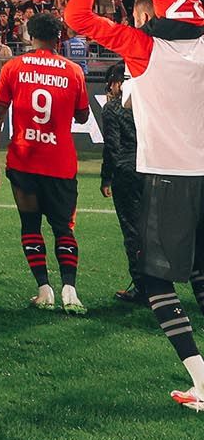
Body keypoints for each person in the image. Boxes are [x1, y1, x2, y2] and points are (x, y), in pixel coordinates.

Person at [65, 0, 204, 411]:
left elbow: (77, 15)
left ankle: (201, 381)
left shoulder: (142, 47)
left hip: (170, 177)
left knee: (157, 282)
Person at [0, 13, 90, 313]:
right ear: (59, 38)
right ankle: (70, 290)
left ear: (30, 36)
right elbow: (82, 116)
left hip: (24, 159)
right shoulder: (73, 71)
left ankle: (44, 290)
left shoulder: (13, 67)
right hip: (60, 162)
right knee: (63, 228)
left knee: (30, 223)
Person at [99, 63, 145, 304]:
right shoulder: (145, 104)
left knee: (132, 230)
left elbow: (112, 147)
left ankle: (142, 287)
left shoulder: (112, 108)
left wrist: (106, 177)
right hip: (151, 168)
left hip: (126, 172)